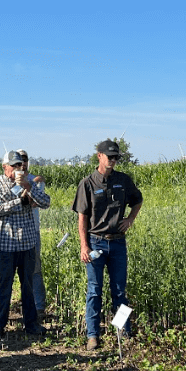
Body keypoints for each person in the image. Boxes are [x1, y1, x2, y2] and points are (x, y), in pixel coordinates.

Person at [71, 139, 143, 350]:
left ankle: (123, 333)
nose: (112, 160)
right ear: (99, 155)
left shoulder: (123, 180)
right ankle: (93, 335)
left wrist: (130, 219)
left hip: (118, 243)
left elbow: (137, 200)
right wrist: (84, 246)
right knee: (94, 290)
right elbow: (82, 218)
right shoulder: (87, 183)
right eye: (109, 156)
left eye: (115, 157)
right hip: (95, 243)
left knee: (120, 292)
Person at [0, 150, 50, 337]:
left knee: (28, 287)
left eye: (20, 165)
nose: (17, 169)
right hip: (5, 244)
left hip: (27, 243)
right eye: (13, 166)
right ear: (4, 167)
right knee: (4, 286)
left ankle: (31, 325)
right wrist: (20, 202)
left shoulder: (29, 182)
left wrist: (29, 188)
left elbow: (46, 202)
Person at [17, 150, 50, 317]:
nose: (22, 163)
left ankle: (39, 305)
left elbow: (35, 203)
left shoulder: (36, 180)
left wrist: (32, 185)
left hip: (32, 230)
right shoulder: (10, 181)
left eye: (25, 159)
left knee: (35, 268)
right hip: (13, 233)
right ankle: (23, 301)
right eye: (19, 160)